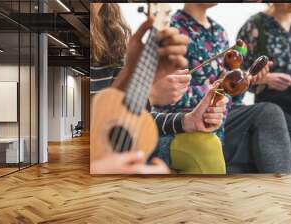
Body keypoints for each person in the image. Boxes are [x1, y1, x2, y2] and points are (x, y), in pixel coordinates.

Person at [154, 3, 291, 173]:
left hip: (223, 116)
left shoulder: (219, 32)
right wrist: (219, 89)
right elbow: (165, 94)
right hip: (187, 117)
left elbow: (232, 97)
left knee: (269, 112)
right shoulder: (171, 29)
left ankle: (280, 189)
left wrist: (247, 80)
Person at [90, 3, 227, 174]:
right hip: (95, 155)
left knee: (207, 145)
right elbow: (96, 123)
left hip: (127, 140)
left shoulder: (113, 34)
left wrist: (187, 120)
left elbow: (123, 119)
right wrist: (151, 93)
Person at [237, 3, 291, 173]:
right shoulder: (254, 25)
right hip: (272, 100)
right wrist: (266, 79)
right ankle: (289, 188)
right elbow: (239, 74)